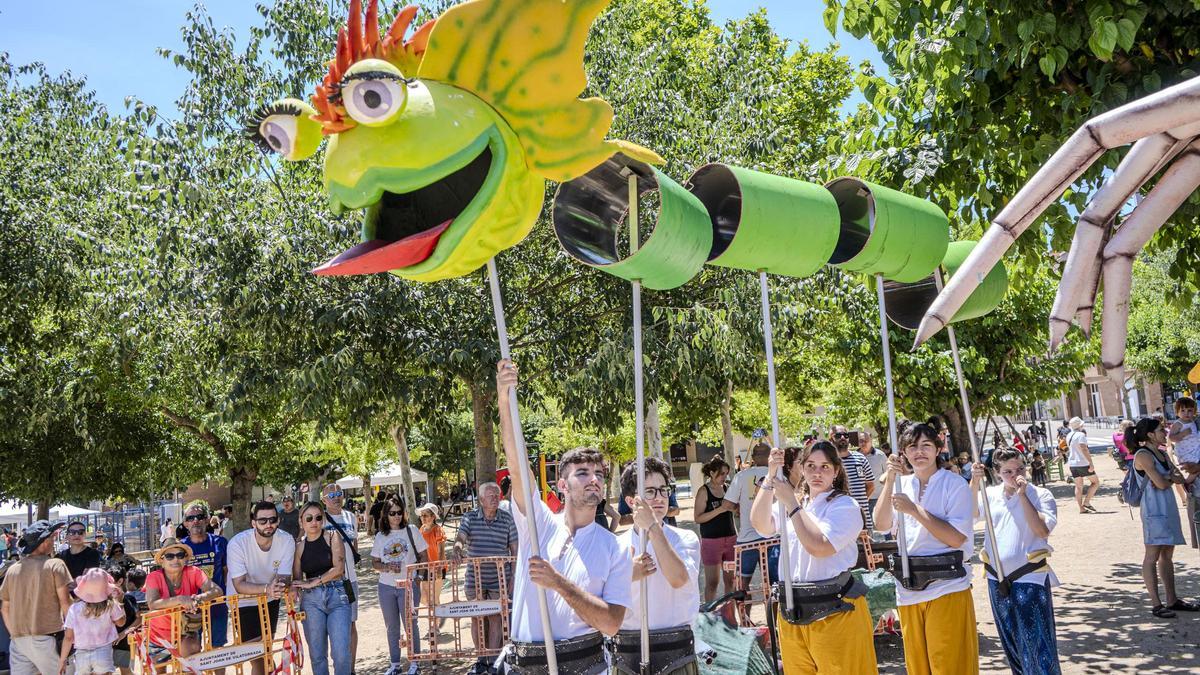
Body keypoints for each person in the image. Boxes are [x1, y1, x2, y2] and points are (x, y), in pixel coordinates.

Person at [496, 360, 631, 674]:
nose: (594, 479)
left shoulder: (615, 548)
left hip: (585, 665)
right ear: (561, 486)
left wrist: (558, 583)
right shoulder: (538, 523)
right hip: (525, 664)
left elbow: (611, 623)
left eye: (599, 473)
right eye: (582, 473)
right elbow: (517, 465)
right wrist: (504, 398)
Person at [750, 442, 878, 673]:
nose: (817, 473)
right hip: (793, 610)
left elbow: (819, 547)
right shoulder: (799, 503)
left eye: (824, 466)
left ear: (836, 471)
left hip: (835, 609)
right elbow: (761, 524)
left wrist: (791, 503)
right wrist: (770, 478)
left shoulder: (845, 505)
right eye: (810, 466)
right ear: (801, 468)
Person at [873, 423, 978, 674]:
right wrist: (890, 482)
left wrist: (914, 510)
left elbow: (956, 539)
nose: (919, 452)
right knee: (919, 667)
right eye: (912, 447)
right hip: (909, 587)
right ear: (904, 453)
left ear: (938, 449)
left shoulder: (954, 484)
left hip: (946, 586)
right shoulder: (901, 485)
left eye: (926, 446)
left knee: (950, 665)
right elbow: (881, 523)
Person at [970, 448, 1061, 674]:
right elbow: (970, 514)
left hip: (1030, 576)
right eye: (1008, 471)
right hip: (997, 577)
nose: (1015, 475)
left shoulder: (1040, 495)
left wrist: (1022, 495)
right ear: (997, 473)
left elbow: (1041, 530)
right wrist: (974, 482)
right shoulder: (989, 494)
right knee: (1011, 641)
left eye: (1020, 468)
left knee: (1037, 643)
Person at [611, 457, 700, 675]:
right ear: (632, 501)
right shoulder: (613, 546)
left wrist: (652, 526)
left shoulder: (685, 538)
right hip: (627, 653)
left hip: (676, 652)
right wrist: (626, 575)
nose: (660, 498)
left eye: (663, 490)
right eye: (650, 492)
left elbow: (678, 578)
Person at [1129, 417, 1200, 618]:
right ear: (1150, 434)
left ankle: (1172, 599)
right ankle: (1156, 603)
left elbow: (1176, 477)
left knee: (1167, 555)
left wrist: (1167, 478)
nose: (1164, 432)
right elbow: (1163, 481)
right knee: (1152, 556)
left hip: (1167, 507)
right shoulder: (1143, 455)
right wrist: (1168, 478)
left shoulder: (1161, 453)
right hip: (1153, 510)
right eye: (1161, 429)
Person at [453, 482, 518, 669]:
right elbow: (460, 538)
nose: (495, 498)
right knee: (477, 617)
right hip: (475, 578)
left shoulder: (506, 519)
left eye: (497, 495)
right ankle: (481, 659)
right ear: (481, 499)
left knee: (495, 618)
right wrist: (457, 549)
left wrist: (513, 576)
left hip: (500, 578)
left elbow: (514, 549)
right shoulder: (470, 517)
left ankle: (494, 660)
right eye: (491, 495)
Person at [227, 501, 295, 675]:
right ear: (253, 522)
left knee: (265, 649)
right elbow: (239, 584)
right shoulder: (237, 544)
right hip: (241, 601)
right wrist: (267, 588)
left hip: (270, 599)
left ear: (278, 520)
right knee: (258, 655)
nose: (268, 524)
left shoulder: (286, 540)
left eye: (272, 519)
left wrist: (279, 587)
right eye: (263, 521)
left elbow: (285, 576)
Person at [0, 521, 72, 675]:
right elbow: (65, 603)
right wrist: (72, 634)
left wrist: (14, 634)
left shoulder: (12, 570)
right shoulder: (55, 565)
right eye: (52, 537)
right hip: (47, 637)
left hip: (18, 640)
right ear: (44, 541)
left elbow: (4, 608)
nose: (53, 541)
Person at [292, 501, 351, 675]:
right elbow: (297, 578)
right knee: (317, 655)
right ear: (301, 521)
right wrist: (294, 590)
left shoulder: (333, 537)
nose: (314, 522)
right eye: (309, 518)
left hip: (338, 595)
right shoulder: (299, 547)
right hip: (311, 601)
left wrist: (314, 581)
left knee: (340, 653)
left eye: (318, 517)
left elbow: (338, 570)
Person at [371, 498, 428, 674]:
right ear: (386, 515)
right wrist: (386, 567)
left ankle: (415, 663)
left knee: (411, 624)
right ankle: (395, 664)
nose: (396, 516)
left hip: (409, 586)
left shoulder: (411, 531)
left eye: (399, 512)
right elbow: (374, 562)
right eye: (392, 513)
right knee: (392, 626)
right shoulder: (381, 536)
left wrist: (419, 577)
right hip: (386, 586)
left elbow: (424, 557)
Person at [144, 538, 222, 658]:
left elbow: (217, 590)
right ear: (162, 560)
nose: (176, 559)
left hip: (186, 631)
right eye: (170, 556)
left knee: (190, 667)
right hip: (158, 635)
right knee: (160, 671)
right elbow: (153, 604)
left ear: (185, 558)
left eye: (180, 555)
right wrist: (180, 599)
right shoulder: (153, 577)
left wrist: (197, 599)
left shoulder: (194, 572)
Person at [724, 443, 779, 590]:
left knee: (742, 586)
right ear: (770, 457)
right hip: (773, 536)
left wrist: (738, 508)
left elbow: (726, 504)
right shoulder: (779, 474)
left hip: (747, 538)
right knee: (775, 587)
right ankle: (772, 614)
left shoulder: (741, 476)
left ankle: (744, 614)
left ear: (753, 457)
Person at [59, 567, 126, 675]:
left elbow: (68, 637)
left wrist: (62, 660)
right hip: (103, 652)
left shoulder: (74, 608)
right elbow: (121, 622)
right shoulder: (110, 605)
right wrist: (120, 602)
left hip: (81, 654)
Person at [321, 483, 361, 666]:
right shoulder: (319, 519)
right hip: (327, 582)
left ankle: (351, 668)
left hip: (349, 581)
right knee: (331, 628)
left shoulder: (351, 517)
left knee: (351, 624)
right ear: (324, 499)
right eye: (331, 495)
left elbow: (355, 547)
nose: (336, 497)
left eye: (339, 493)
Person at [182, 501, 229, 651]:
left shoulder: (220, 542)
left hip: (217, 606)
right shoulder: (180, 548)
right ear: (185, 523)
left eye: (200, 516)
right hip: (191, 610)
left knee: (218, 651)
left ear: (208, 519)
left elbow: (226, 572)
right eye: (190, 518)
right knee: (193, 652)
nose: (195, 520)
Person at [693, 456, 737, 603]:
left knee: (731, 581)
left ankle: (729, 614)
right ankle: (709, 615)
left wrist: (736, 508)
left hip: (730, 539)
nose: (725, 477)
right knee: (712, 583)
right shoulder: (703, 491)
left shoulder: (727, 488)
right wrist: (721, 509)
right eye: (721, 473)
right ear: (711, 473)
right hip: (711, 541)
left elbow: (735, 509)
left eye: (726, 473)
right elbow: (698, 518)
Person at [1168, 397, 1200, 548]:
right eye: (1183, 411)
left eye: (1190, 410)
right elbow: (1171, 438)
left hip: (1195, 451)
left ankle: (1188, 483)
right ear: (1177, 412)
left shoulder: (1194, 422)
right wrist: (1181, 435)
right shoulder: (1179, 424)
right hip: (1186, 452)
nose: (1187, 413)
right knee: (1192, 468)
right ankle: (1187, 484)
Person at [416, 503, 447, 637]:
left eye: (426, 515)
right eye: (422, 516)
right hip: (425, 568)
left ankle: (434, 627)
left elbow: (441, 550)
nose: (423, 518)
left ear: (433, 517)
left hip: (437, 567)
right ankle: (436, 621)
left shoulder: (438, 530)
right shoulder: (421, 529)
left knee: (433, 598)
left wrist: (439, 567)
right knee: (425, 597)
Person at [106, 564, 141, 675]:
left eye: (109, 580)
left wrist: (123, 634)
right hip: (107, 643)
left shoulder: (129, 599)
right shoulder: (105, 599)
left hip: (123, 643)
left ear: (120, 581)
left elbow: (139, 619)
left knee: (124, 670)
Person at [1065, 417, 1099, 514]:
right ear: (1080, 425)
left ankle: (1081, 508)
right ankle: (1087, 502)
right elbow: (1084, 448)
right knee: (1095, 482)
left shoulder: (1069, 435)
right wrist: (1090, 462)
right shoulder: (1081, 435)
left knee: (1078, 486)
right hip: (1082, 462)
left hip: (1072, 463)